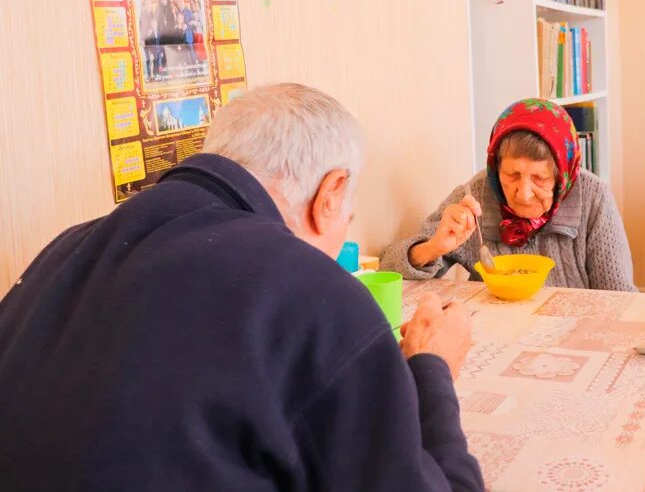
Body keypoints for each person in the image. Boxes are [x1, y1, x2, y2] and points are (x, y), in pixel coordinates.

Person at [0, 84, 484, 491]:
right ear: (330, 194)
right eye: (348, 220)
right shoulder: (311, 291)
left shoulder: (66, 250)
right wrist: (432, 368)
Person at [382, 98, 636, 291]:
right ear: (495, 167)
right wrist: (434, 247)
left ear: (563, 175)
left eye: (540, 179)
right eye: (512, 175)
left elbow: (620, 297)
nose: (524, 194)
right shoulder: (476, 194)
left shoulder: (594, 198)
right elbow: (388, 268)